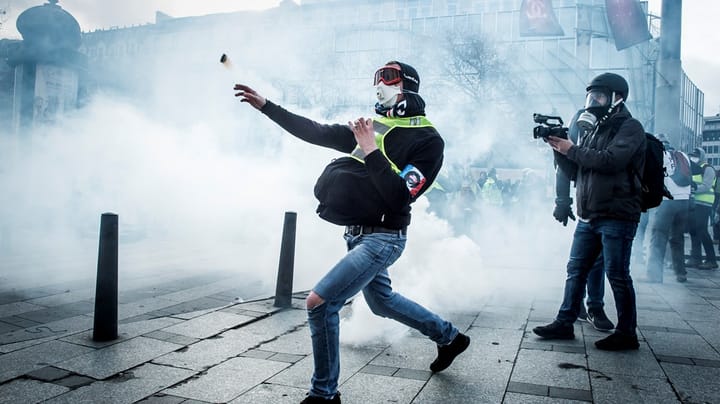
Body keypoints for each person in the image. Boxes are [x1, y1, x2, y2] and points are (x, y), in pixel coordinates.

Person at [234, 61, 470, 404]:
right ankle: (450, 338)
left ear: (410, 86)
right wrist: (267, 107)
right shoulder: (372, 126)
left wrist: (372, 151)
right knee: (382, 302)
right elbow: (316, 131)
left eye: (389, 78)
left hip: (385, 237)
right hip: (356, 234)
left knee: (319, 303)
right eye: (376, 79)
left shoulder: (429, 140)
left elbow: (401, 196)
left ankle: (324, 394)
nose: (380, 85)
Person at [533, 72, 645, 351]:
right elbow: (576, 172)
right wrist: (558, 147)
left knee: (617, 274)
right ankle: (565, 321)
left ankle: (627, 332)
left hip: (618, 214)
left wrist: (572, 149)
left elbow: (611, 161)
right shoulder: (592, 130)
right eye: (590, 96)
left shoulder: (630, 128)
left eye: (599, 96)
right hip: (590, 214)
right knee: (576, 270)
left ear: (617, 98)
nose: (592, 102)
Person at [552, 108, 614, 331]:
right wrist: (562, 200)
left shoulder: (615, 127)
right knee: (583, 260)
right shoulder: (580, 120)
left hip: (608, 201)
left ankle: (591, 306)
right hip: (586, 201)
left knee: (596, 258)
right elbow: (563, 167)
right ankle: (584, 306)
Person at [643, 135, 691, 283]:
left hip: (667, 201)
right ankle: (680, 273)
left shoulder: (659, 154)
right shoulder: (683, 155)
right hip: (684, 200)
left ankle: (654, 275)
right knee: (677, 238)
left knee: (658, 237)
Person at [686, 147, 718, 270]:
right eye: (692, 155)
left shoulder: (707, 168)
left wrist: (693, 188)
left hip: (704, 204)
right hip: (694, 203)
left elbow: (706, 185)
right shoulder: (692, 168)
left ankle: (711, 260)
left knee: (702, 231)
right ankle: (695, 258)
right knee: (693, 230)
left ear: (702, 156)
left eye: (696, 155)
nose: (693, 157)